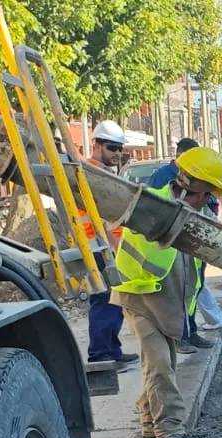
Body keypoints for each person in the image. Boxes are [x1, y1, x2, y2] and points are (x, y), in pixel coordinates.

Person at [111, 146, 222, 438]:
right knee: (162, 366)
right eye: (207, 192)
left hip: (171, 305)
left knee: (159, 365)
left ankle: (148, 414)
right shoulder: (153, 207)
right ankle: (169, 432)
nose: (209, 199)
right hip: (140, 297)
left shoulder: (198, 216)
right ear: (190, 183)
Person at [148, 138, 219, 351]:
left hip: (194, 248)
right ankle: (179, 336)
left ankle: (190, 331)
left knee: (192, 290)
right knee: (176, 295)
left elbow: (209, 208)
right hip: (170, 250)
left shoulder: (199, 181)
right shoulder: (162, 178)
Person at [82, 120, 138, 369]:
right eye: (112, 148)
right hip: (98, 245)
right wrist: (114, 245)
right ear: (97, 145)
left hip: (103, 244)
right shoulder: (93, 173)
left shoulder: (101, 171)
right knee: (105, 300)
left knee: (114, 301)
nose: (117, 154)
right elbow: (102, 218)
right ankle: (101, 354)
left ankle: (111, 350)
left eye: (120, 149)